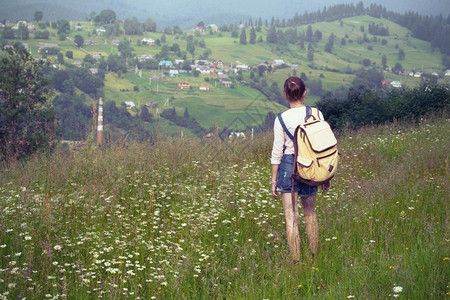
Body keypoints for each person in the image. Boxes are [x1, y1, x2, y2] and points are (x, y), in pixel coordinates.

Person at [271, 76, 331, 264]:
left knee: (291, 218)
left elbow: (276, 152)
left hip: (288, 165)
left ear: (285, 95)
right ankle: (314, 259)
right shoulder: (316, 113)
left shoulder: (281, 119)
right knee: (310, 214)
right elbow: (323, 145)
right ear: (304, 93)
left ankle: (296, 264)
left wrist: (273, 180)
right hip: (311, 165)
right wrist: (326, 174)